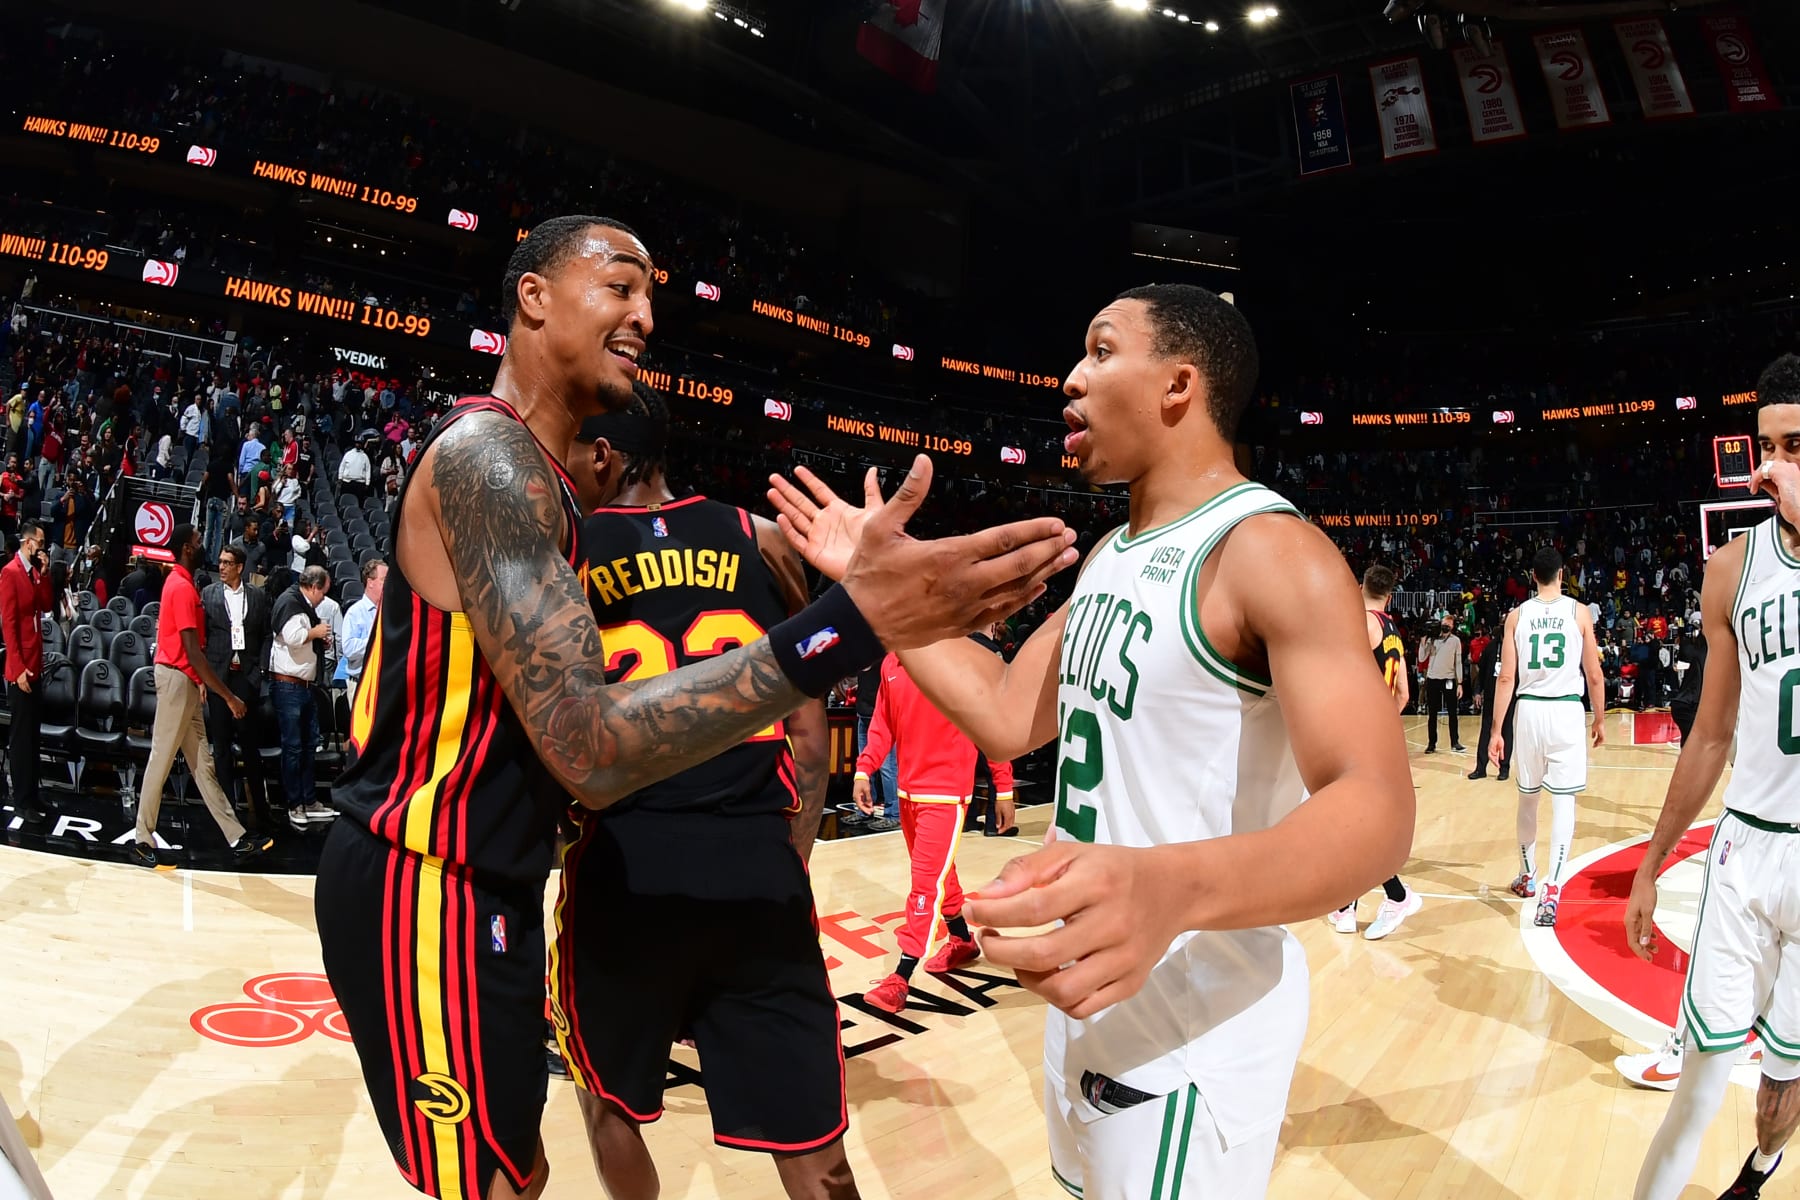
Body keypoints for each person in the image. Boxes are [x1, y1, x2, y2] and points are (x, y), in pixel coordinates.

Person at [315, 215, 1075, 1200]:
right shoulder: (487, 460)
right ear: (533, 299)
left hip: (491, 881)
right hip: (422, 877)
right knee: (490, 1188)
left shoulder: (554, 493)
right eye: (620, 286)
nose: (644, 315)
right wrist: (845, 625)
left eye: (652, 299)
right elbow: (588, 743)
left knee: (520, 1170)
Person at [770, 283, 1413, 1198]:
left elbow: (1378, 810)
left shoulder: (1272, 550)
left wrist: (1169, 885)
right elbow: (999, 707)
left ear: (1179, 385)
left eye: (1102, 350)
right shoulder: (1115, 555)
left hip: (1193, 1022)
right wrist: (873, 601)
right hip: (1090, 1004)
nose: (1071, 377)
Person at [549, 383, 850, 1199]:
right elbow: (811, 732)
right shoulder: (757, 537)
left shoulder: (569, 549)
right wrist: (792, 848)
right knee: (812, 1141)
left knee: (609, 1100)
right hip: (756, 859)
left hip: (626, 865)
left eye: (577, 449)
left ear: (604, 454)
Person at [1627, 364, 1800, 1200]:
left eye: (1795, 447)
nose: (1772, 467)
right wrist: (1652, 866)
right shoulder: (1732, 568)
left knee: (1781, 1093)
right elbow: (1711, 733)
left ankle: (1761, 1168)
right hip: (1747, 849)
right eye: (1766, 448)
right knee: (1700, 1080)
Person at [852, 650, 1014, 1014]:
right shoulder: (892, 662)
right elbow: (882, 725)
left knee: (925, 883)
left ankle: (901, 976)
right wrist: (865, 770)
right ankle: (961, 939)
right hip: (907, 793)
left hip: (945, 794)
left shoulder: (963, 660)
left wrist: (1003, 789)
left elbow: (990, 726)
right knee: (941, 873)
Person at [130, 524, 271, 869]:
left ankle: (236, 837)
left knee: (203, 764)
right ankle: (141, 839)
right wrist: (229, 697)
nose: (202, 544)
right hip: (178, 679)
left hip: (189, 682)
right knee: (161, 758)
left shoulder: (185, 584)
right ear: (187, 549)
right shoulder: (179, 587)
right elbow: (192, 651)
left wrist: (203, 684)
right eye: (197, 541)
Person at [1486, 545, 1605, 927]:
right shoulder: (1580, 612)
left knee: (1528, 798)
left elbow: (1506, 677)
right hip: (1567, 709)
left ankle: (1528, 875)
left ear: (1532, 576)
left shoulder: (1516, 616)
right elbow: (1595, 674)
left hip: (1529, 710)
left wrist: (1495, 731)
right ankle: (1554, 886)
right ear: (1563, 573)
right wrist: (1600, 718)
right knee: (1565, 802)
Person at [1327, 564, 1420, 940]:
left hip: (1355, 732)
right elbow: (1404, 695)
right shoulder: (1394, 631)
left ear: (1359, 586)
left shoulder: (1361, 623)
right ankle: (1348, 902)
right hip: (1376, 734)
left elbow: (1339, 675)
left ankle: (1395, 896)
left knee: (1353, 820)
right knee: (1351, 819)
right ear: (1391, 594)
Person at [200, 543, 273, 828]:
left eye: (228, 563)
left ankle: (261, 812)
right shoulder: (208, 594)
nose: (221, 567)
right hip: (218, 678)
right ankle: (227, 814)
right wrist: (204, 680)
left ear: (240, 567)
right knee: (221, 747)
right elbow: (202, 640)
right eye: (220, 562)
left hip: (246, 678)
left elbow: (267, 635)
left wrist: (259, 671)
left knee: (250, 747)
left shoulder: (257, 596)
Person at [270, 564, 333, 830]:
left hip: (305, 686)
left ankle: (309, 800)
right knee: (293, 747)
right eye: (323, 593)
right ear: (314, 587)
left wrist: (320, 640)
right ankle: (294, 803)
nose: (323, 599)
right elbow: (293, 637)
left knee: (308, 747)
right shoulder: (291, 602)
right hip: (289, 687)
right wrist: (316, 633)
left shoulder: (304, 606)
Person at [0, 522, 53, 823]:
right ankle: (21, 799)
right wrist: (18, 669)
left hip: (36, 664)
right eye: (41, 542)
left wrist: (44, 576)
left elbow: (45, 605)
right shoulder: (10, 573)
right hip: (20, 668)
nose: (44, 548)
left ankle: (33, 794)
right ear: (29, 542)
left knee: (34, 735)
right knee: (21, 737)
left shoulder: (33, 573)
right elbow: (8, 625)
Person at [1467, 617, 1515, 782]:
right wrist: (1477, 692)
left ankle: (1504, 767)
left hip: (1508, 697)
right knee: (1486, 730)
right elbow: (1481, 673)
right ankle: (1481, 768)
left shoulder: (1517, 646)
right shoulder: (1490, 647)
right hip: (1491, 696)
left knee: (1506, 729)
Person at [335, 557, 385, 710]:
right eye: (384, 580)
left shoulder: (389, 612)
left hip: (385, 685)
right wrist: (377, 642)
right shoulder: (355, 613)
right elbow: (349, 649)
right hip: (362, 684)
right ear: (370, 582)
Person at [1422, 616, 1465, 753]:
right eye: (1443, 623)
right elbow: (1422, 657)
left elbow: (1458, 662)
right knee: (1432, 713)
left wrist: (1460, 683)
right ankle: (1431, 743)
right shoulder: (1433, 639)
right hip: (1433, 678)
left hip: (1448, 678)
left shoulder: (1455, 641)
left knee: (1452, 712)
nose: (1445, 626)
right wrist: (1423, 642)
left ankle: (1455, 742)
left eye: (1448, 624)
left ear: (1452, 626)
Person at [1669, 615, 1706, 744]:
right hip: (1689, 705)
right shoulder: (1700, 655)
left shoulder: (1691, 653)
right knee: (1695, 742)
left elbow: (1684, 639)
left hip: (1681, 704)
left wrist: (1680, 627)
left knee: (1688, 743)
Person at [339, 436, 374, 501]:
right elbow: (342, 466)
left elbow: (368, 470)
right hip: (347, 482)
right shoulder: (348, 454)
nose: (358, 445)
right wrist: (340, 477)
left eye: (360, 443)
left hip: (359, 483)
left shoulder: (365, 456)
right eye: (357, 443)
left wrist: (367, 483)